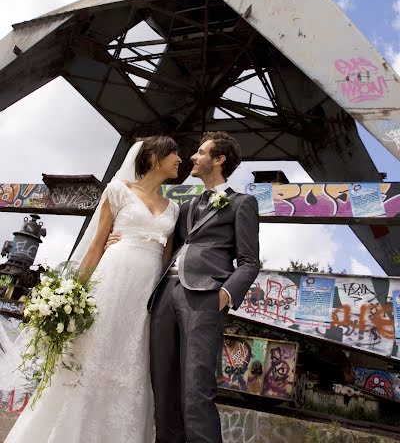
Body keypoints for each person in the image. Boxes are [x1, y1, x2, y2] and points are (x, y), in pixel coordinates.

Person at [3, 135, 181, 443]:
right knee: (91, 355)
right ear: (153, 158)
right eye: (174, 153)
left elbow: (166, 263)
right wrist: (71, 294)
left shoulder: (174, 208)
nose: (180, 159)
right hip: (111, 280)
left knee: (131, 364)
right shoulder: (118, 191)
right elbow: (97, 245)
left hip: (145, 296)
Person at [108, 130, 260, 443]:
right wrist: (119, 237)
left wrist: (224, 295)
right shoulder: (186, 206)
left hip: (204, 298)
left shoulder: (242, 203)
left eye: (201, 152)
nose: (193, 156)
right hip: (164, 295)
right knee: (163, 388)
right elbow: (157, 238)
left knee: (195, 390)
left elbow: (249, 262)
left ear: (218, 160)